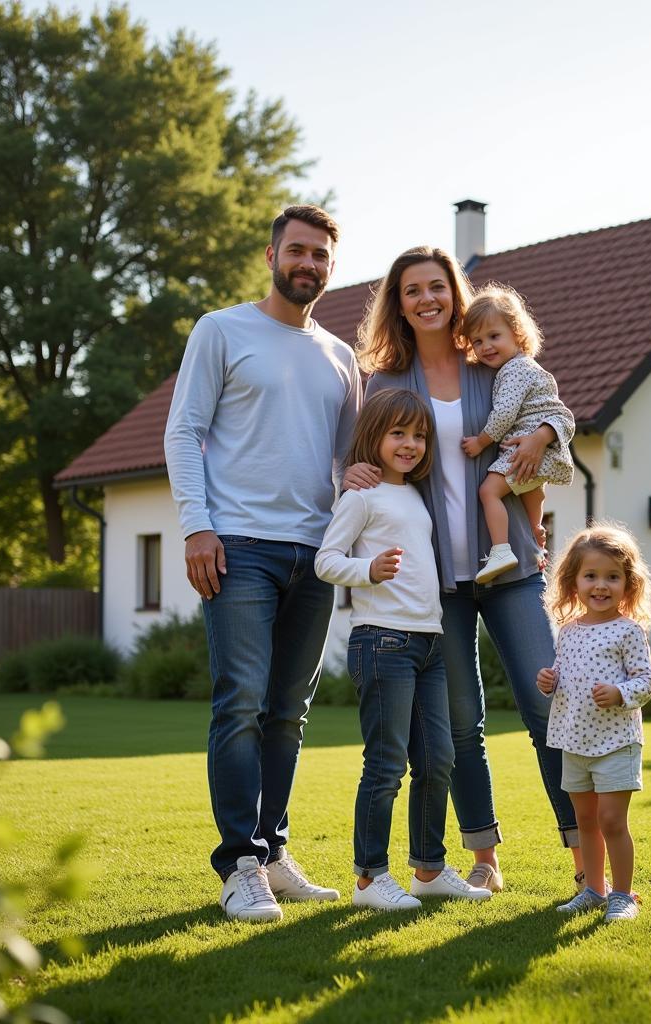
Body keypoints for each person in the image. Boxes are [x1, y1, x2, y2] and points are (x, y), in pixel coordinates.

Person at [346, 246, 585, 895]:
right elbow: (363, 456)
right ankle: (484, 855)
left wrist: (545, 437)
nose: (427, 299)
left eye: (437, 287)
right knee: (460, 725)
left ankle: (583, 854)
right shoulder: (388, 384)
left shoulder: (492, 366)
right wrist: (353, 471)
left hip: (508, 568)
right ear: (398, 304)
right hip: (432, 586)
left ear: (454, 293)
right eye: (412, 291)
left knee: (545, 707)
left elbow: (555, 410)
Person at [164, 204, 362, 923]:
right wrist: (196, 528)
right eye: (298, 251)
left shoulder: (341, 358)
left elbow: (349, 465)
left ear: (330, 268)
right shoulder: (222, 330)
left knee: (288, 713)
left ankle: (273, 854)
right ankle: (239, 865)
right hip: (237, 547)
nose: (308, 264)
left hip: (315, 556)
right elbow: (183, 432)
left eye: (321, 257)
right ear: (273, 254)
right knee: (240, 703)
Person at [315, 389, 492, 910]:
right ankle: (369, 878)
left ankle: (429, 868)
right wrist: (366, 571)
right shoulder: (361, 496)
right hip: (382, 641)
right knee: (387, 764)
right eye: (398, 434)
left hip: (429, 643)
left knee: (438, 759)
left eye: (419, 436)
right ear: (374, 437)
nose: (411, 444)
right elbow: (327, 560)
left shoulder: (418, 495)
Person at [536, 523, 651, 922]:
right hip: (575, 742)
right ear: (574, 581)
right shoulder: (569, 631)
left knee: (610, 821)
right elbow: (563, 674)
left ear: (629, 583)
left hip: (616, 742)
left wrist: (620, 692)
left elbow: (646, 681)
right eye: (591, 576)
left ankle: (622, 895)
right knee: (584, 820)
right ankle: (593, 888)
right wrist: (549, 681)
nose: (601, 586)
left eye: (612, 577)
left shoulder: (628, 631)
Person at [457, 284, 574, 584]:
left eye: (494, 336)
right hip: (541, 456)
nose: (485, 347)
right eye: (477, 341)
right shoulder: (525, 368)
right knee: (533, 489)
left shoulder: (514, 370)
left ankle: (500, 549)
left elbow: (505, 413)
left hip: (524, 448)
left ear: (517, 333)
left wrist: (482, 441)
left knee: (489, 492)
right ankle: (536, 532)